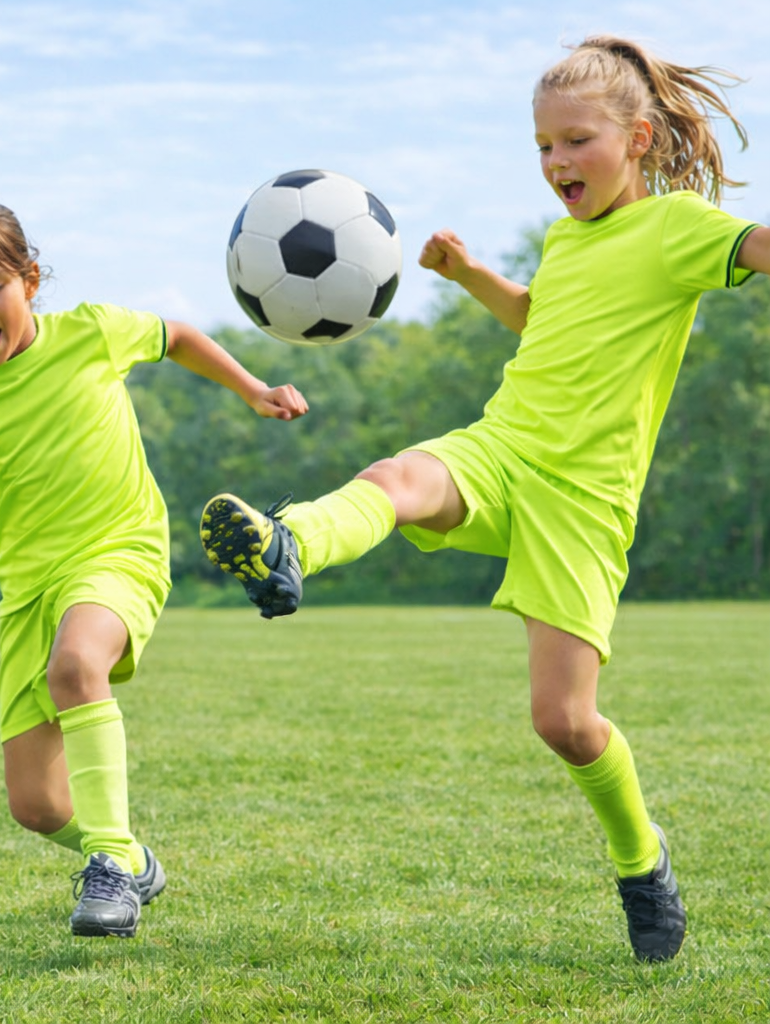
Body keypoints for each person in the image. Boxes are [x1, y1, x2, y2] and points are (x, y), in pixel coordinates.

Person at [201, 36, 769, 962]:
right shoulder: (566, 236)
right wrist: (470, 280)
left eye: (575, 142)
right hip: (502, 446)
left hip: (584, 500)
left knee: (566, 723)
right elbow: (550, 317)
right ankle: (285, 541)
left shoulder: (682, 231)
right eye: (542, 147)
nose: (555, 165)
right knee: (398, 480)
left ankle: (641, 857)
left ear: (640, 134)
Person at [0, 195, 309, 939]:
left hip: (119, 550)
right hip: (30, 592)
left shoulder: (92, 332)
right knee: (33, 804)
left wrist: (253, 389)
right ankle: (129, 854)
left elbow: (180, 336)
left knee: (77, 667)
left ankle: (108, 869)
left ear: (30, 280)